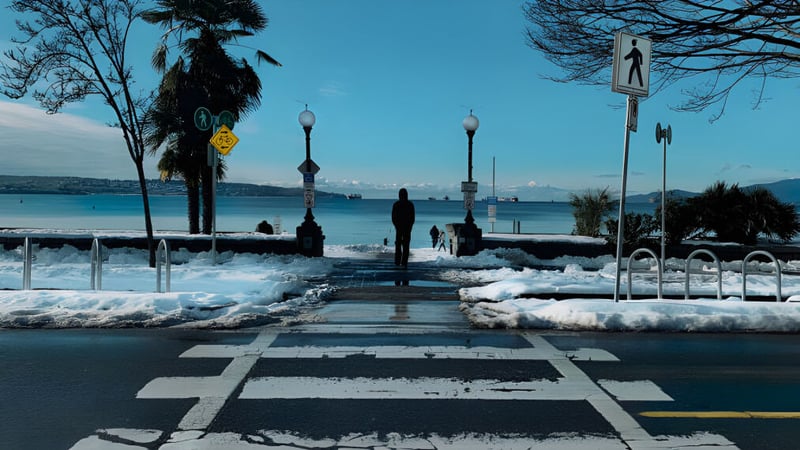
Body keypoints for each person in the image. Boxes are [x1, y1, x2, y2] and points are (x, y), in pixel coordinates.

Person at [391, 188, 415, 267]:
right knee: (405, 246)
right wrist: (410, 226)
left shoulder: (396, 204)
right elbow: (412, 218)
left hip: (400, 228)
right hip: (406, 228)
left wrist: (396, 226)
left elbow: (393, 217)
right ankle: (404, 262)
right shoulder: (410, 204)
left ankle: (398, 261)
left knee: (398, 245)